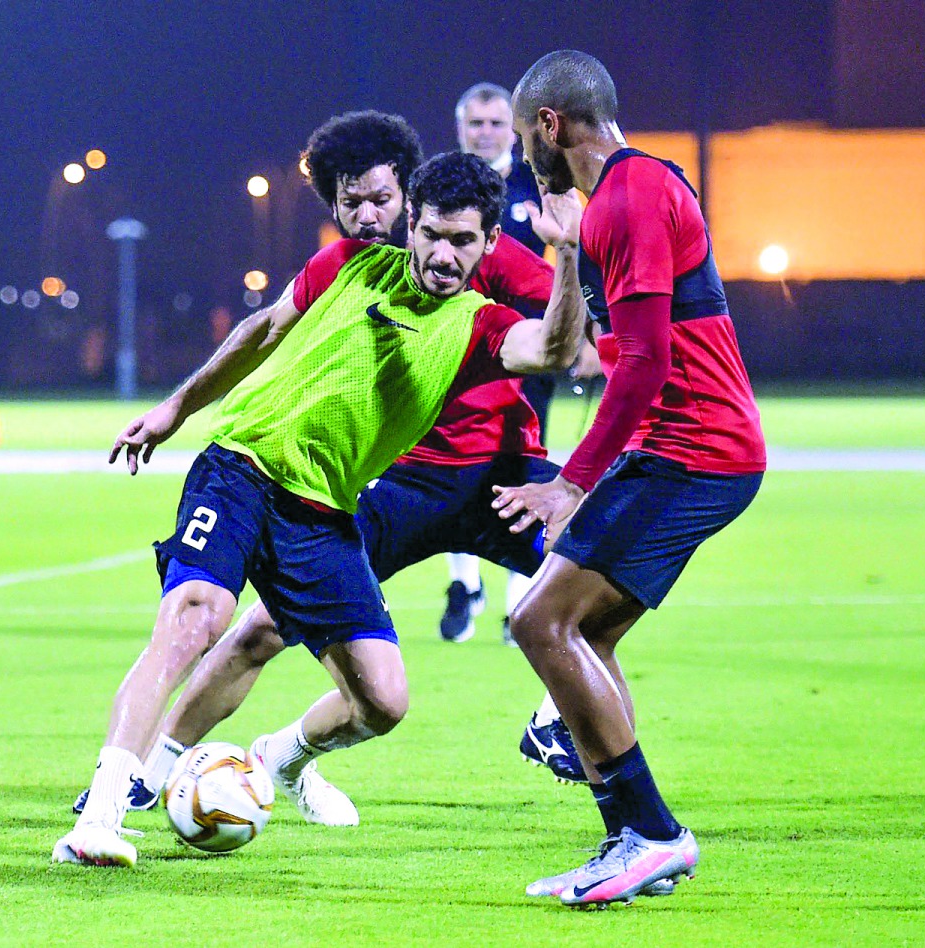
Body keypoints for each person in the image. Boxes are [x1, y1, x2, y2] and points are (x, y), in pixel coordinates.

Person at [51, 148, 586, 867]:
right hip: (241, 466)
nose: (444, 253)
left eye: (463, 241)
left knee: (384, 701)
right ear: (412, 227)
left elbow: (555, 347)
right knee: (197, 619)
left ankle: (282, 756)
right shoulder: (351, 266)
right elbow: (262, 331)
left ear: (488, 245)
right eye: (431, 233)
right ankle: (106, 811)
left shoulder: (478, 327)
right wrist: (176, 408)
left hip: (321, 513)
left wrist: (572, 251)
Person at [495, 50, 767, 907]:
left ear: (549, 126)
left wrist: (571, 480)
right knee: (583, 634)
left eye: (520, 135)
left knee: (540, 620)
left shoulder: (631, 194)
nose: (520, 155)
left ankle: (649, 833)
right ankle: (631, 833)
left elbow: (650, 363)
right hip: (686, 447)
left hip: (693, 451)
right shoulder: (629, 191)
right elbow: (651, 340)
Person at [441, 82, 557, 646]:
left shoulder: (537, 181)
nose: (485, 132)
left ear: (509, 127)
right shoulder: (442, 185)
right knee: (453, 465)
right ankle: (464, 586)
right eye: (474, 124)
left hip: (527, 350)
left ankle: (517, 601)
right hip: (455, 354)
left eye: (494, 123)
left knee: (522, 471)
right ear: (459, 127)